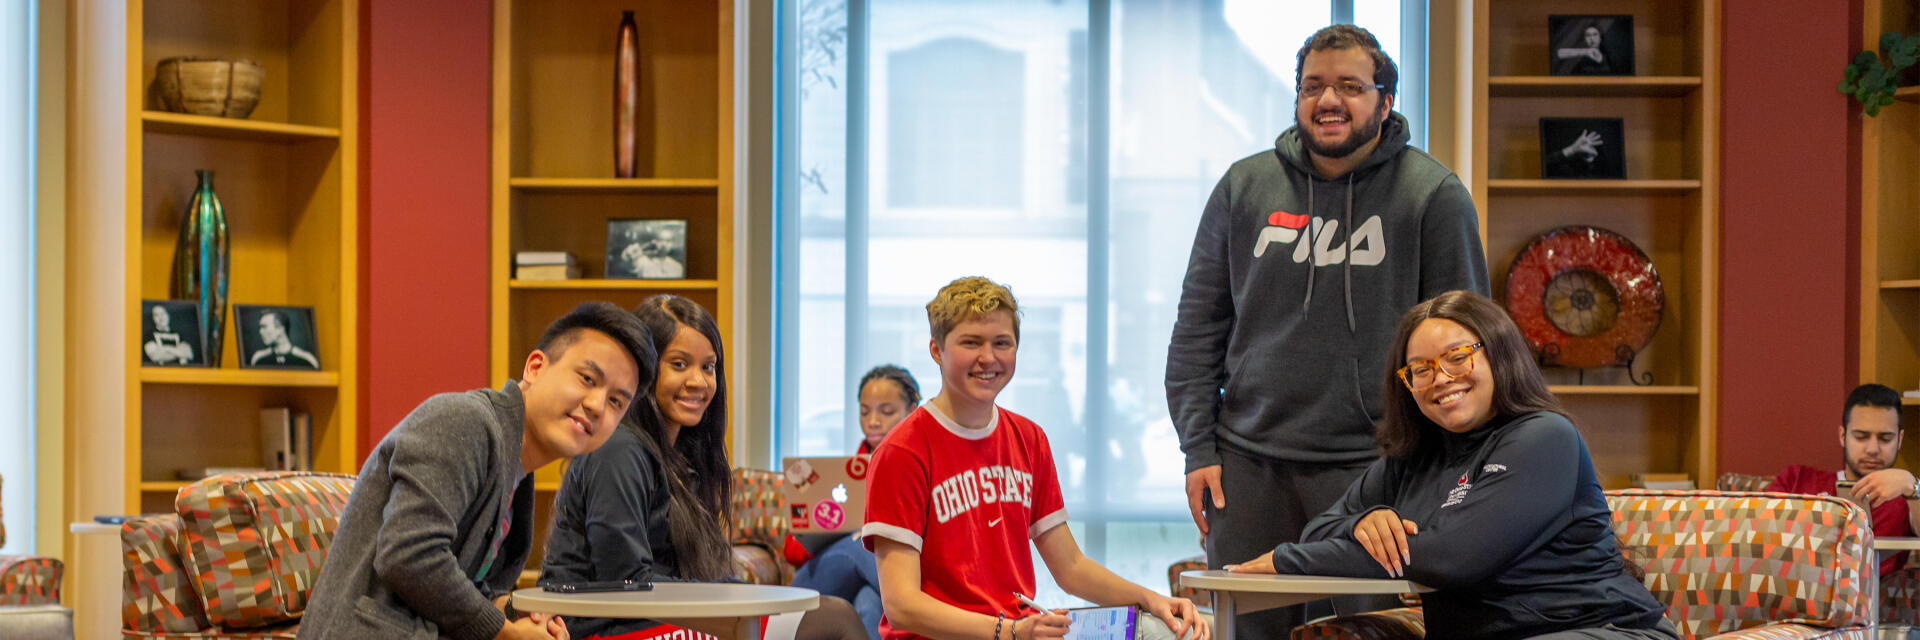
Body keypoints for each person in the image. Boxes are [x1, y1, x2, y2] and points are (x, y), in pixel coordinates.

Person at [1164, 23, 1489, 636]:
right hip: (1248, 470)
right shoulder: (1243, 187)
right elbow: (1197, 329)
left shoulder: (1433, 196)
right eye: (1313, 86)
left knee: (1370, 635)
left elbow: (1467, 349)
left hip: (1380, 467)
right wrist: (1197, 448)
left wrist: (1445, 470)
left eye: (1349, 86)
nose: (1328, 100)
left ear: (1385, 101)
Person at [1229, 290, 1677, 640]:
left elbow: (1451, 558)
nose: (1440, 378)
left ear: (1498, 353)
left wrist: (1289, 561)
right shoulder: (1412, 460)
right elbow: (1320, 528)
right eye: (1419, 370)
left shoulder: (1545, 438)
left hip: (1603, 631)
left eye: (1457, 357)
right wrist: (1365, 521)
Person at [864, 276, 1208, 640]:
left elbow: (1070, 567)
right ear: (936, 350)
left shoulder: (1028, 439)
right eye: (971, 343)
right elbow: (901, 605)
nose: (988, 358)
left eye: (1002, 343)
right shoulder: (902, 452)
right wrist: (1010, 631)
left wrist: (1150, 598)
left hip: (1016, 631)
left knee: (1177, 631)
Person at [300, 301, 652, 640]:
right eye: (588, 378)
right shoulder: (464, 421)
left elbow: (468, 583)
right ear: (535, 367)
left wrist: (520, 616)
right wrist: (502, 633)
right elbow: (408, 555)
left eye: (616, 402)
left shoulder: (516, 468)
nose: (595, 406)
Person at [542, 294, 863, 640]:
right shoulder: (619, 449)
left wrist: (745, 595)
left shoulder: (683, 457)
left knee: (831, 613)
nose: (698, 381)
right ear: (643, 371)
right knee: (835, 620)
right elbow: (624, 582)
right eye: (679, 364)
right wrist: (733, 600)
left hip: (664, 616)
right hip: (608, 627)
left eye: (708, 367)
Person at [788, 365, 923, 639]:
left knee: (870, 602)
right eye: (864, 411)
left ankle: (910, 603)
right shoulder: (842, 476)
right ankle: (923, 608)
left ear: (912, 410)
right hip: (817, 579)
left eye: (886, 411)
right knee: (865, 545)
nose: (873, 421)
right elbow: (792, 551)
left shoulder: (922, 469)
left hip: (869, 581)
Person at [1765, 383, 1920, 575]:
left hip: (1873, 600)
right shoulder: (1796, 479)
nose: (1872, 449)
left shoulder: (1906, 496)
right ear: (1842, 435)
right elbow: (1758, 532)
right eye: (1861, 437)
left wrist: (1913, 487)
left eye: (1885, 438)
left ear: (1900, 440)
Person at [249, 310, 319, 368]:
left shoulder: (307, 360)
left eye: (264, 327)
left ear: (280, 329)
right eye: (260, 328)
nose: (260, 332)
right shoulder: (258, 358)